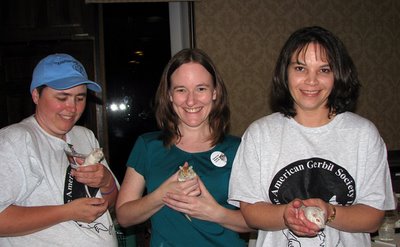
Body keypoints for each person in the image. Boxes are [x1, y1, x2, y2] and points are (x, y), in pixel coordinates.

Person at [228, 26, 396, 246]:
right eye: (300, 68)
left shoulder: (363, 134)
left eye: (324, 70)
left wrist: (330, 212)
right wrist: (285, 215)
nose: (311, 80)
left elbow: (373, 217)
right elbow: (250, 212)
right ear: (285, 72)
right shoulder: (260, 134)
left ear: (338, 75)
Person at [116, 48, 251, 246]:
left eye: (201, 89)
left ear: (215, 92)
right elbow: (124, 217)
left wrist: (215, 212)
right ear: (169, 95)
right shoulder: (148, 146)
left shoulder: (238, 149)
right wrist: (161, 195)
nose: (191, 100)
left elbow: (256, 222)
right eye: (181, 90)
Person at [0, 53, 119, 246]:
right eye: (62, 97)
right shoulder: (13, 141)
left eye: (80, 98)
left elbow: (112, 203)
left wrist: (106, 182)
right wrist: (68, 212)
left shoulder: (85, 136)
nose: (72, 108)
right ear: (36, 95)